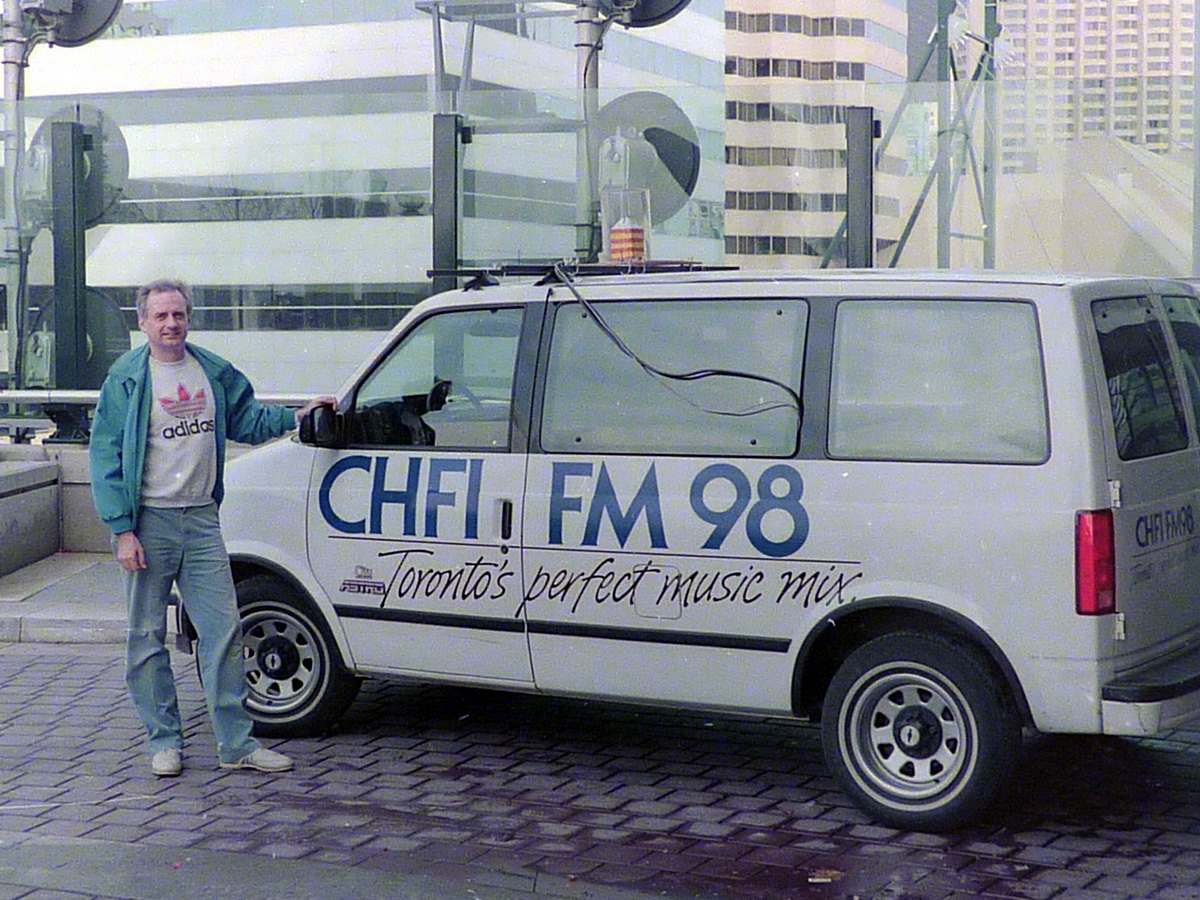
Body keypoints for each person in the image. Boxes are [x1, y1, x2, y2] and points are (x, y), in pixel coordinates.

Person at [89, 278, 335, 777]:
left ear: (189, 318)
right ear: (143, 322)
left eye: (178, 314)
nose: (171, 324)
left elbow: (248, 419)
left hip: (201, 519)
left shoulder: (211, 371)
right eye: (160, 316)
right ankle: (164, 741)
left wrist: (298, 416)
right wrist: (122, 530)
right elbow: (105, 456)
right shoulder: (127, 379)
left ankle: (237, 744)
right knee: (146, 636)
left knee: (223, 632)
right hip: (148, 522)